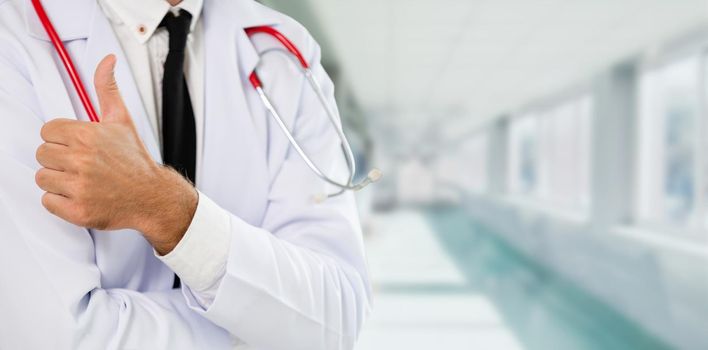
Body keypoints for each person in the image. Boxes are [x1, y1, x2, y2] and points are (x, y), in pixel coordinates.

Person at [0, 0, 371, 349]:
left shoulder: (283, 50)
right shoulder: (12, 37)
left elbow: (335, 317)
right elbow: (59, 337)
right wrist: (265, 327)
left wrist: (166, 209)